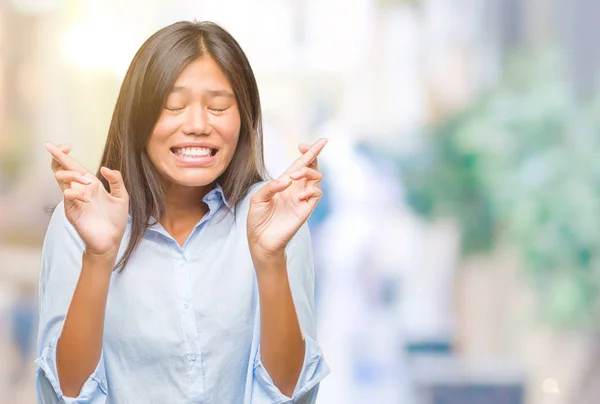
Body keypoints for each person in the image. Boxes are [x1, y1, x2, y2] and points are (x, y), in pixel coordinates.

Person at [35, 20, 330, 404]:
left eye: (219, 107)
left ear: (244, 119)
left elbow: (291, 394)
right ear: (138, 117)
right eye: (173, 106)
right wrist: (99, 256)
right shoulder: (80, 217)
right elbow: (64, 395)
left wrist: (271, 259)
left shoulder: (274, 215)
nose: (197, 125)